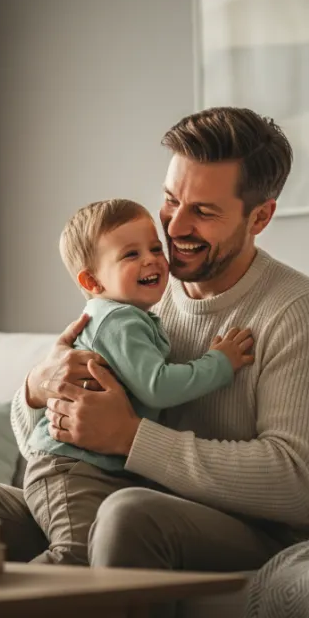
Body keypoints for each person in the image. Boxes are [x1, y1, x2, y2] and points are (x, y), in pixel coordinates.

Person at [0, 106, 309, 618]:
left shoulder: (300, 311)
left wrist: (132, 438)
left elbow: (293, 482)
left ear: (259, 217)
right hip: (117, 488)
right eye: (170, 200)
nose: (175, 227)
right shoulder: (138, 293)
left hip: (256, 530)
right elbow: (40, 442)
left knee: (127, 515)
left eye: (203, 211)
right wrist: (38, 388)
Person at [23, 197, 255, 565]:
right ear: (92, 280)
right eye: (130, 255)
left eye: (153, 248)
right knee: (74, 558)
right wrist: (219, 363)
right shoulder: (120, 322)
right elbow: (158, 387)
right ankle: (3, 610)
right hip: (73, 467)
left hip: (82, 466)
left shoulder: (128, 316)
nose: (151, 260)